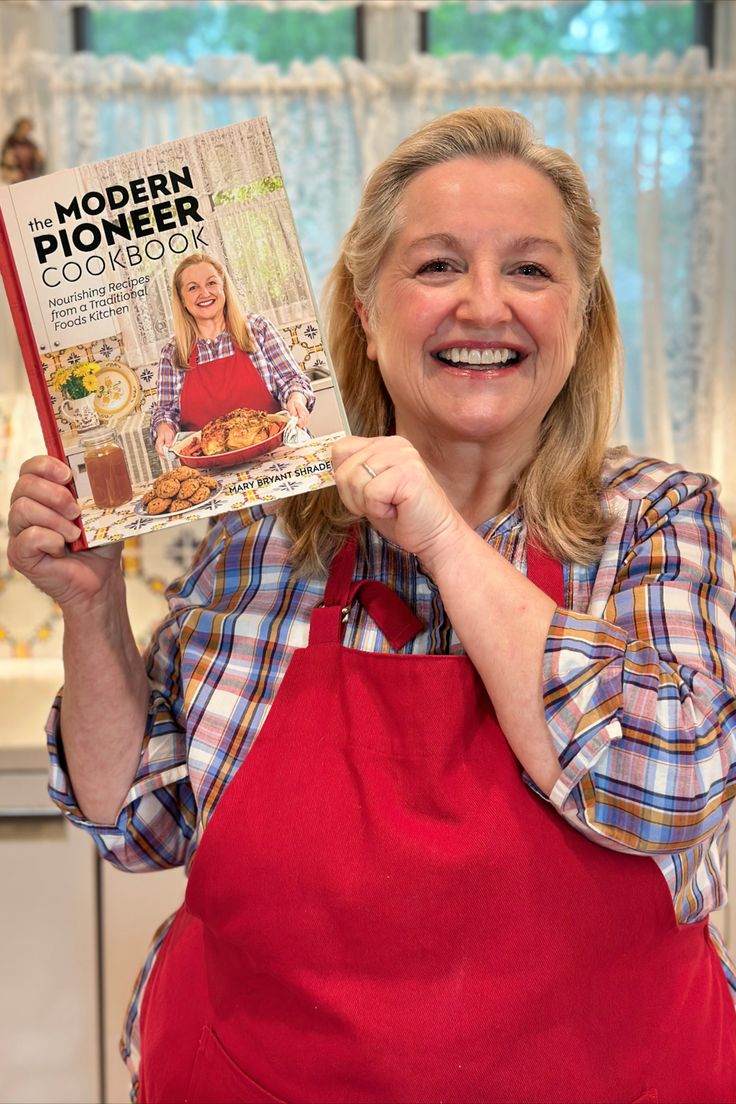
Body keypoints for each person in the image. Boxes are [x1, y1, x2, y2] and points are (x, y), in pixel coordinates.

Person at [7, 106, 736, 1102]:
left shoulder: (658, 519)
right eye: (436, 266)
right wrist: (90, 611)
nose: (484, 305)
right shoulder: (263, 537)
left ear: (581, 315)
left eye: (529, 269)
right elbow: (139, 822)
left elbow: (672, 782)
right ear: (361, 309)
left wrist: (439, 536)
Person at [150, 250, 314, 457]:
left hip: (277, 454)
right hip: (211, 470)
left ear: (224, 288)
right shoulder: (172, 354)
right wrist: (164, 426)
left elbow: (292, 381)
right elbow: (166, 410)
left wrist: (296, 398)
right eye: (193, 288)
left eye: (211, 283)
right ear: (182, 300)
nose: (204, 293)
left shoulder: (257, 329)